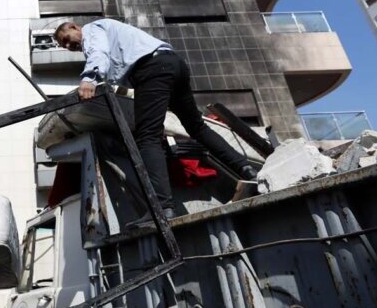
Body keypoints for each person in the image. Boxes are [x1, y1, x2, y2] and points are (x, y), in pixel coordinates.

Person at [54, 19, 256, 222]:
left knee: (147, 136)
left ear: (74, 27)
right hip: (172, 64)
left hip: (151, 70)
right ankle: (246, 169)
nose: (70, 46)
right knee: (196, 126)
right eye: (66, 47)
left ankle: (162, 208)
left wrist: (89, 78)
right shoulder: (113, 31)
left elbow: (99, 53)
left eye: (67, 40)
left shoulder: (92, 30)